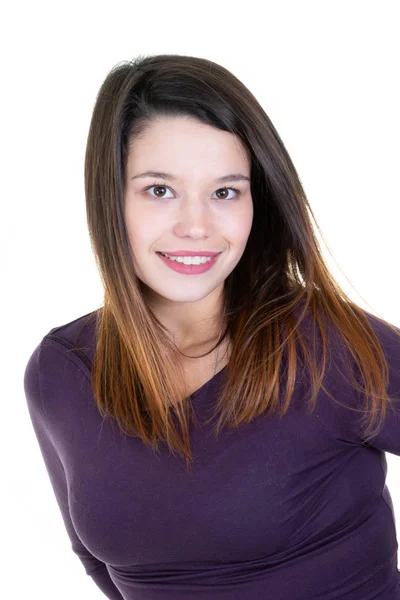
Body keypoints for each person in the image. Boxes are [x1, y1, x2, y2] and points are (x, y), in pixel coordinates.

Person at [23, 54, 400, 599]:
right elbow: (97, 560)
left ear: (256, 203)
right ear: (110, 199)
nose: (196, 227)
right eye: (159, 190)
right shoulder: (60, 371)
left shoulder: (327, 346)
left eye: (225, 192)